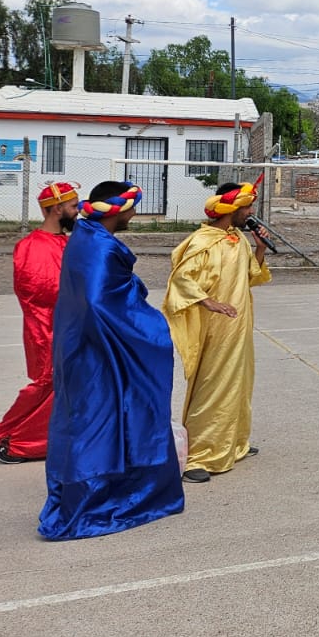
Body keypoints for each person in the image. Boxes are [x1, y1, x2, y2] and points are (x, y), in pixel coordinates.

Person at [39, 183, 184, 540]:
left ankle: (110, 492)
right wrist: (149, 329)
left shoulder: (84, 235)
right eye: (134, 208)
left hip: (82, 346)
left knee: (98, 422)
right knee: (98, 425)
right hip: (97, 355)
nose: (135, 214)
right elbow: (98, 303)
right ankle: (90, 504)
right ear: (119, 210)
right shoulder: (100, 249)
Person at [164, 180, 273, 483]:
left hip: (238, 327)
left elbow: (250, 276)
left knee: (239, 384)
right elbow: (181, 280)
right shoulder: (203, 242)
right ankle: (198, 455)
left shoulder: (235, 237)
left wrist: (260, 249)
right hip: (215, 331)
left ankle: (233, 443)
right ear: (231, 209)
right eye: (248, 206)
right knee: (212, 387)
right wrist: (209, 302)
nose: (252, 211)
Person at [0, 181, 80, 463]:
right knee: (48, 382)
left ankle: (24, 439)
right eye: (73, 206)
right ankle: (11, 440)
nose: (77, 212)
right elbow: (39, 290)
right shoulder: (32, 246)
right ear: (57, 208)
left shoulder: (66, 241)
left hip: (68, 327)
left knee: (64, 385)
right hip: (47, 329)